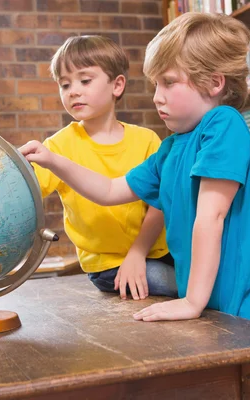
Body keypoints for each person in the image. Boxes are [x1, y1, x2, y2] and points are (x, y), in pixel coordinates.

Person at [21, 13, 250, 372]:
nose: (156, 97)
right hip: (217, 316)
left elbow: (211, 216)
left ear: (213, 82)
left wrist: (191, 302)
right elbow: (109, 189)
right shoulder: (171, 148)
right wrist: (54, 161)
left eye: (168, 83)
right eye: (154, 85)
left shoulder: (224, 124)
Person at [21, 35, 177, 301]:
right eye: (64, 84)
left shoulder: (147, 140)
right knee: (179, 286)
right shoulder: (56, 147)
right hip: (108, 266)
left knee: (210, 277)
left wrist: (138, 252)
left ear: (117, 85)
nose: (73, 91)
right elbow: (26, 191)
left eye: (85, 80)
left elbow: (160, 203)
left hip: (158, 250)